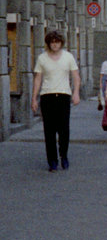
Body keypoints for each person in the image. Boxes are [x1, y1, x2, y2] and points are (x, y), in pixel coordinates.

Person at [31, 30, 81, 172]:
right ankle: (52, 160)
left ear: (61, 43)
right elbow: (38, 79)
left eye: (57, 42)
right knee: (49, 131)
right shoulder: (42, 58)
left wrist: (76, 93)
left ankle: (63, 155)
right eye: (52, 42)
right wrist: (34, 98)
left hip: (63, 96)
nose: (55, 45)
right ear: (48, 43)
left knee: (64, 129)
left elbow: (76, 76)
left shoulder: (68, 57)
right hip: (47, 96)